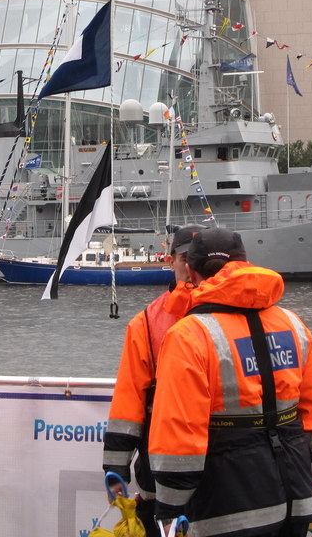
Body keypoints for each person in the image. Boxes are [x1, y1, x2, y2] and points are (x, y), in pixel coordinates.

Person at [149, 228, 312, 537]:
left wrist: (169, 507)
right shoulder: (293, 324)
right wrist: (309, 473)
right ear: (246, 263)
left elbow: (179, 430)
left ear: (191, 271)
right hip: (294, 494)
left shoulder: (189, 335)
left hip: (225, 506)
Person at [103, 224, 203, 537]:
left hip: (224, 464)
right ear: (171, 259)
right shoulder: (145, 324)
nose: (190, 266)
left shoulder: (239, 315)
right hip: (158, 467)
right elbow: (129, 396)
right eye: (185, 257)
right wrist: (115, 466)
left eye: (198, 259)